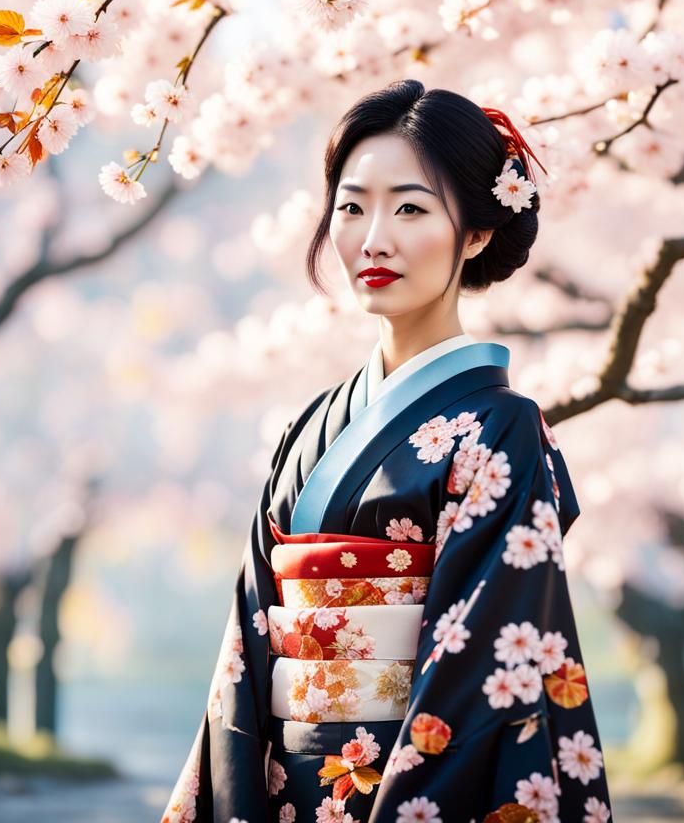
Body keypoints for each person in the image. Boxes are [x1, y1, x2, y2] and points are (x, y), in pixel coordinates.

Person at [161, 79, 612, 823]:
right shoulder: (304, 429)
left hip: (411, 787)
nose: (374, 238)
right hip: (285, 790)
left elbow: (482, 664)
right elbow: (245, 650)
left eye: (409, 207)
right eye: (351, 207)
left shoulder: (501, 431)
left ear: (476, 232)